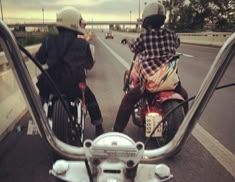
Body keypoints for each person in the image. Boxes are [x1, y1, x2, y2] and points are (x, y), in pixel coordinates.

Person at [113, 2, 188, 132]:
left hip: (150, 84)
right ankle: (186, 122)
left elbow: (134, 47)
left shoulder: (144, 37)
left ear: (147, 22)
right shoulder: (171, 35)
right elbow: (177, 43)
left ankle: (116, 131)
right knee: (185, 96)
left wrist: (129, 41)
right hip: (170, 81)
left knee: (127, 101)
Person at [35, 6, 104, 137]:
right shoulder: (83, 44)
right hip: (74, 84)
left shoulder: (49, 40)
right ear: (73, 22)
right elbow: (89, 65)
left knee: (41, 97)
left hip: (51, 84)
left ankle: (38, 119)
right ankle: (98, 126)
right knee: (90, 98)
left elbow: (39, 59)